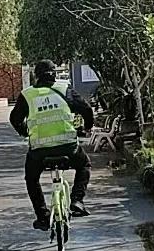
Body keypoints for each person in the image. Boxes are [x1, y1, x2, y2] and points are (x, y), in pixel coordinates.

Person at [10, 60, 94, 231]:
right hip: (68, 147)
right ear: (54, 74)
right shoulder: (64, 89)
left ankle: (42, 216)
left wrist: (25, 132)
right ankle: (77, 200)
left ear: (36, 76)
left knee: (32, 179)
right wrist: (87, 127)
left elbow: (15, 119)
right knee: (84, 165)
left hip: (39, 152)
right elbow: (86, 109)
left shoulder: (27, 95)